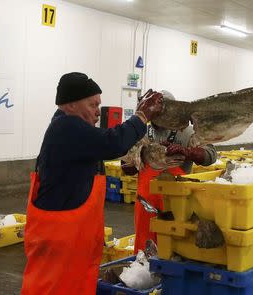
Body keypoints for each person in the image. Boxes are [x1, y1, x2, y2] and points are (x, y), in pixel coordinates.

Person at [21, 72, 163, 295]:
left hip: (71, 236)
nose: (98, 111)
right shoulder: (66, 127)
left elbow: (99, 149)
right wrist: (141, 117)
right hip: (61, 236)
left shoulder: (70, 129)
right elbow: (113, 142)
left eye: (99, 104)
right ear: (71, 105)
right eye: (93, 104)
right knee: (52, 287)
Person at [122, 90, 217, 254]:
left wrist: (187, 152)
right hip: (146, 204)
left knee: (175, 248)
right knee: (144, 249)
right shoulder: (141, 131)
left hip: (177, 204)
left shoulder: (187, 132)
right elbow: (126, 168)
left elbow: (211, 155)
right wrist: (135, 161)